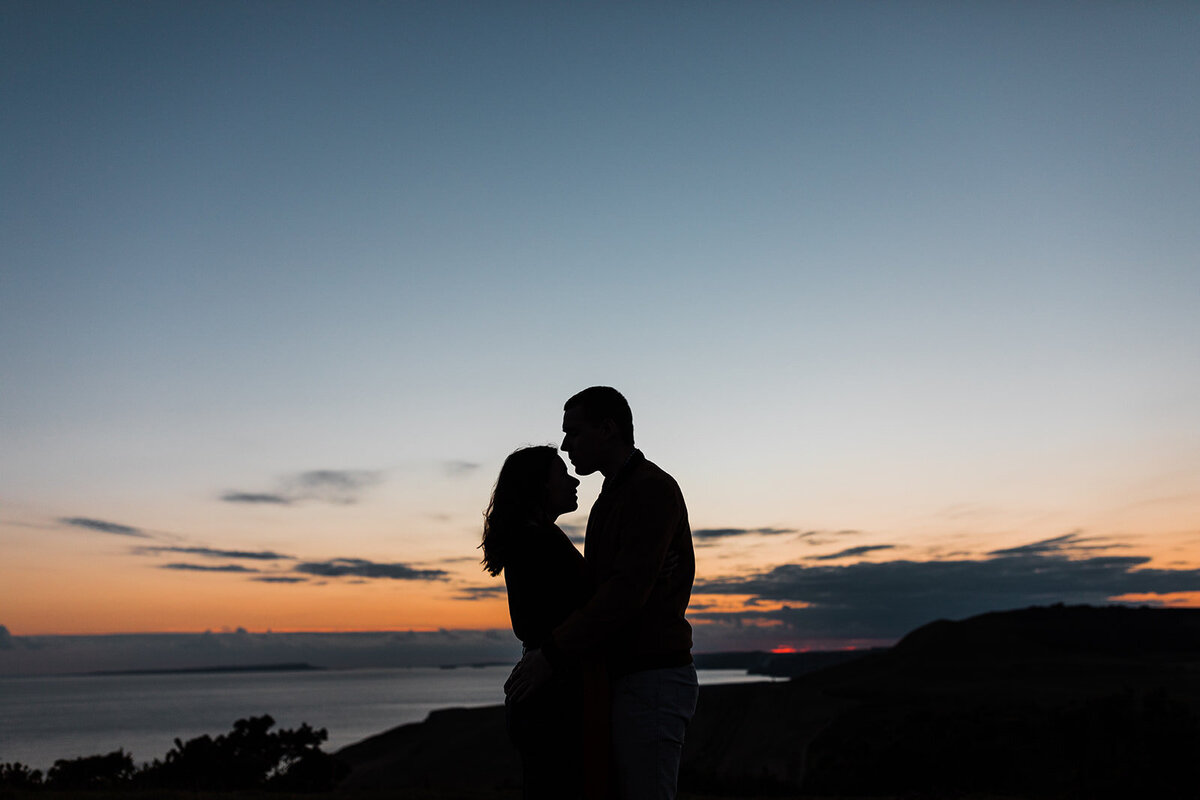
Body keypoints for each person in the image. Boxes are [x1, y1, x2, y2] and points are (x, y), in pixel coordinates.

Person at [506, 387, 698, 800]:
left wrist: (553, 654)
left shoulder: (650, 489)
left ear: (607, 429)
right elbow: (612, 587)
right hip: (626, 674)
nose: (565, 445)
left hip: (652, 674)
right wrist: (636, 575)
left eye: (573, 433)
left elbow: (624, 593)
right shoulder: (610, 498)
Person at [481, 445, 590, 799]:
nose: (573, 481)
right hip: (552, 694)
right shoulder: (537, 539)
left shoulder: (532, 537)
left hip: (543, 688)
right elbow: (588, 601)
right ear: (540, 486)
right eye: (561, 474)